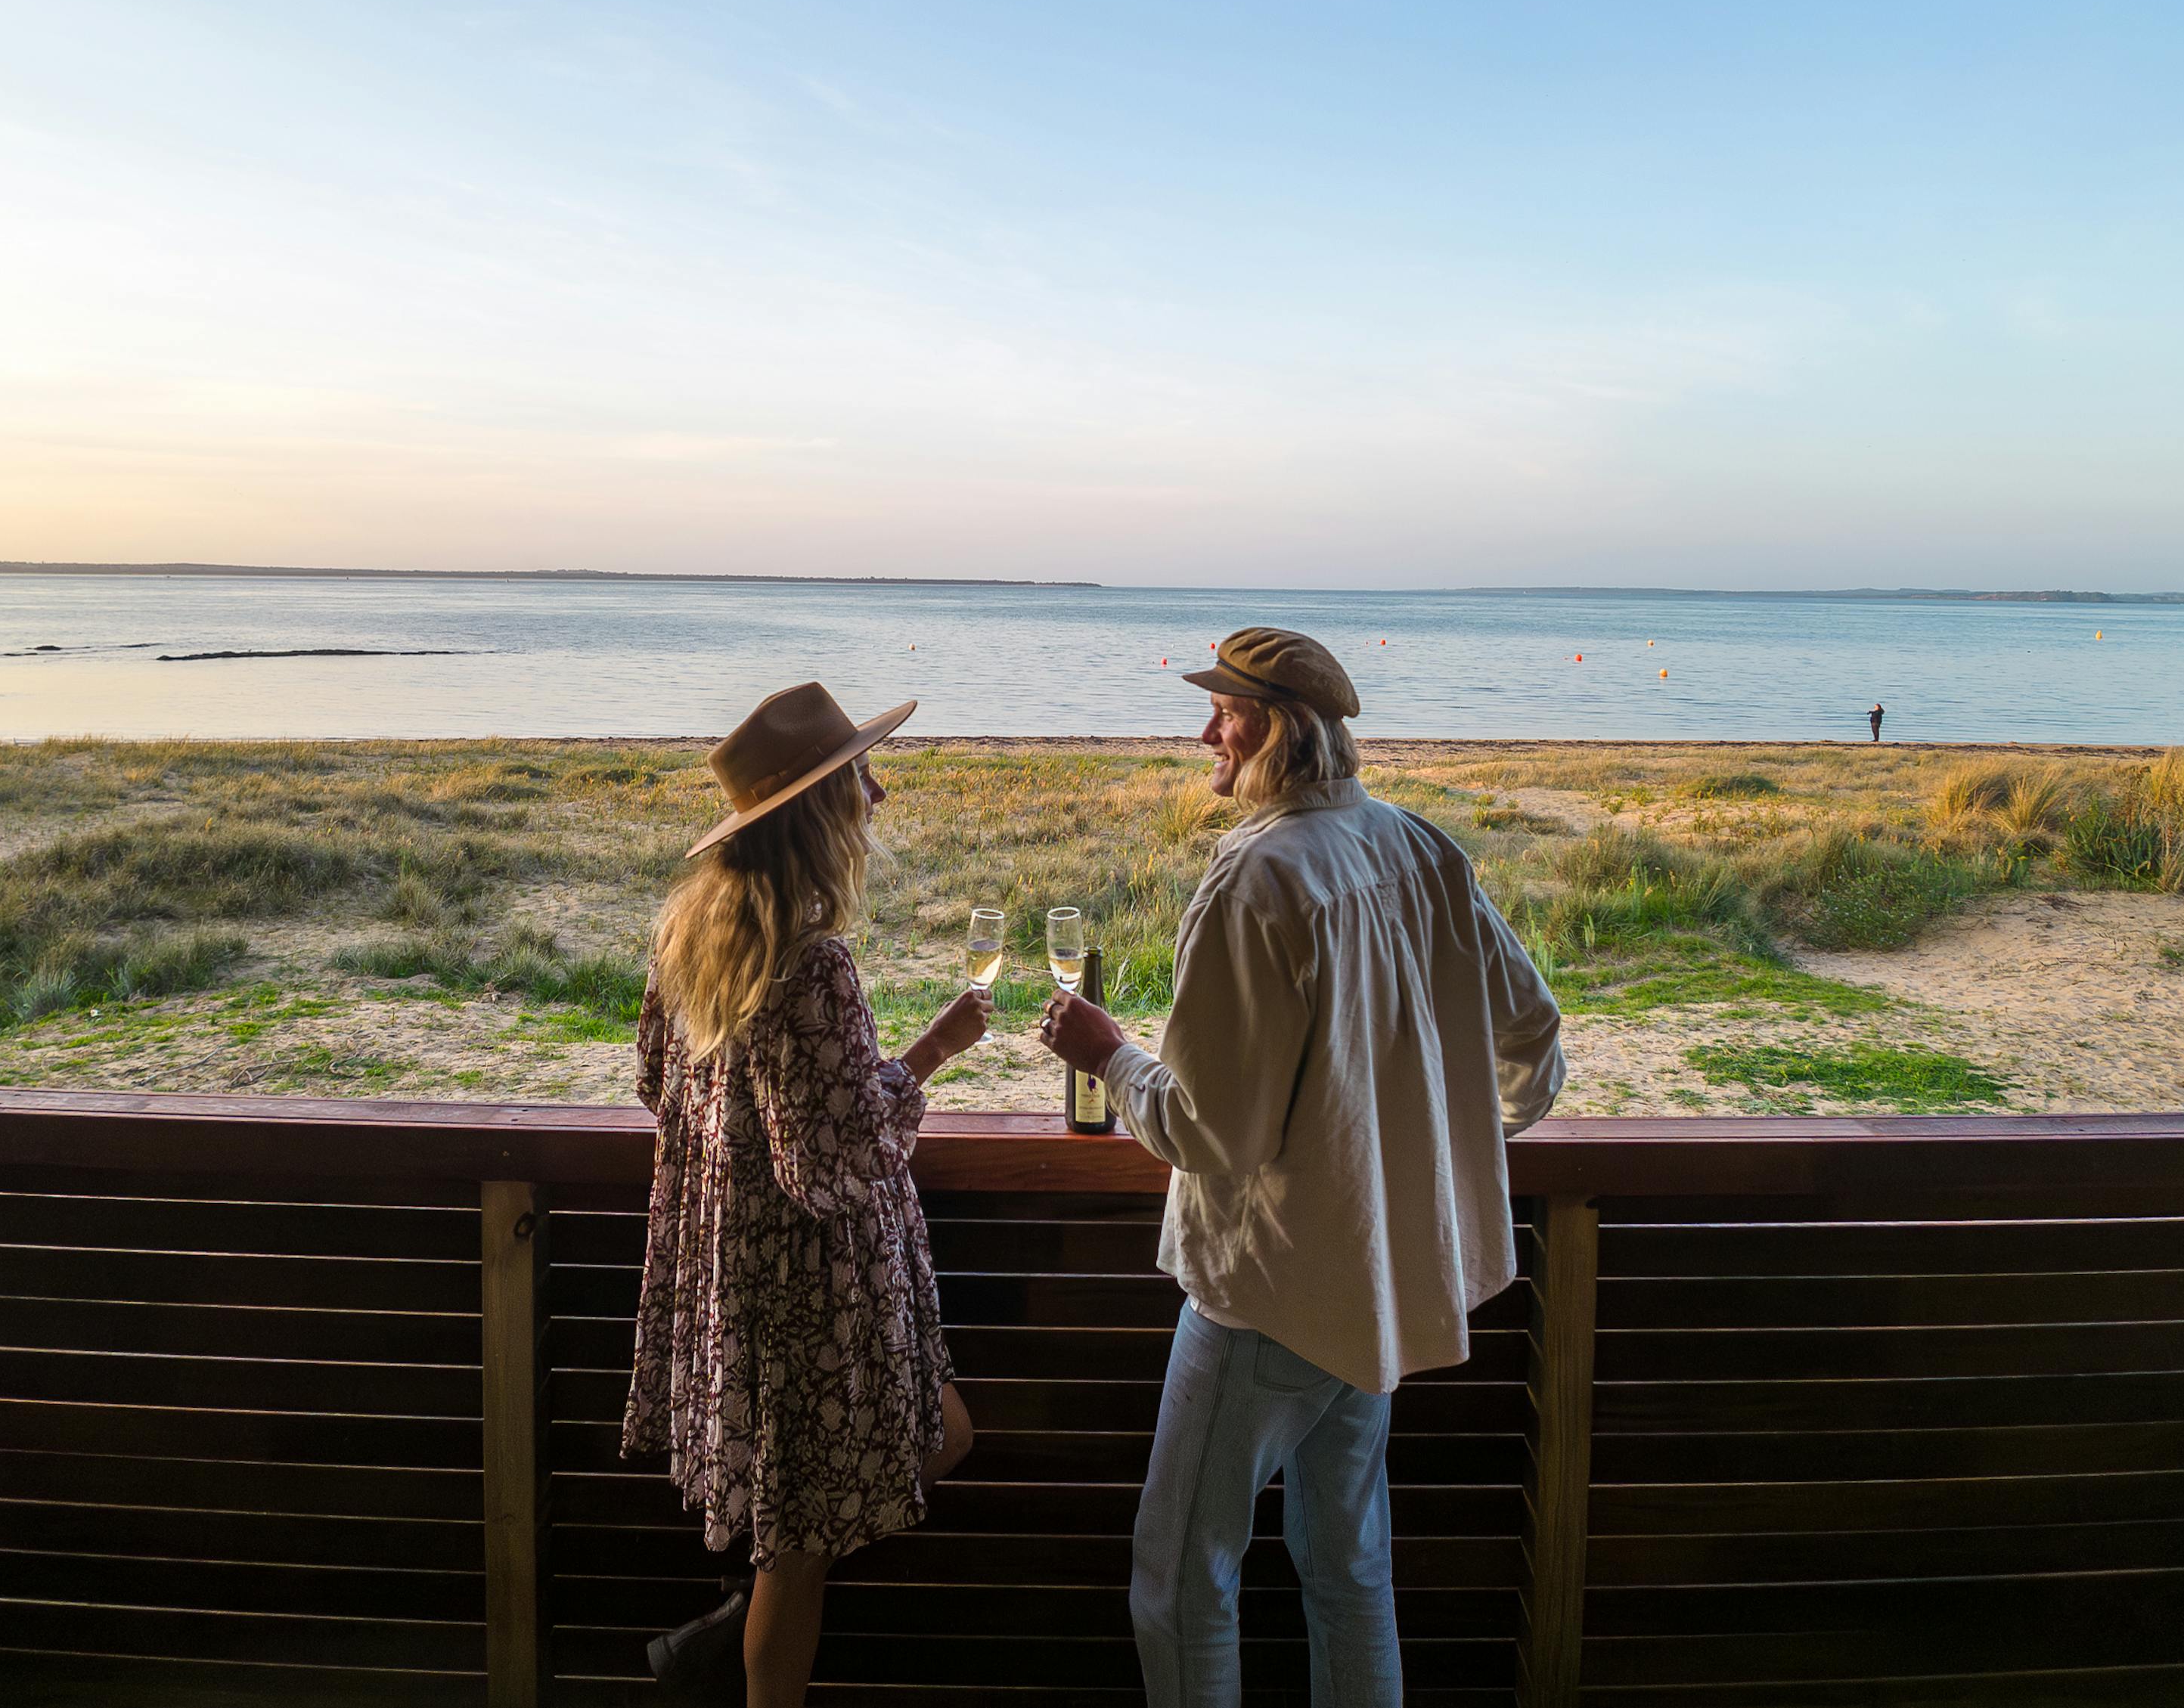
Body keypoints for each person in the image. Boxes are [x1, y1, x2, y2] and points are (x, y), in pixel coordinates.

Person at [1041, 627, 1565, 1708]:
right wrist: (1421, 1148)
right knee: (1348, 1568)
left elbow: (1207, 1131)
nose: (1205, 732)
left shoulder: (1257, 877)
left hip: (1266, 1296)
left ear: (1273, 728)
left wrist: (1108, 1053)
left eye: (1223, 712)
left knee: (1179, 1575)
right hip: (1370, 1284)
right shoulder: (1417, 847)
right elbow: (1533, 1037)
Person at [621, 681, 988, 1707]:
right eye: (860, 774)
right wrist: (932, 1053)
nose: (881, 788)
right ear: (816, 809)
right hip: (813, 1298)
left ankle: (725, 1635)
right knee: (812, 1538)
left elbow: (660, 1084)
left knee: (859, 1487)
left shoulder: (690, 935)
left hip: (738, 1278)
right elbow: (826, 1163)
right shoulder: (815, 961)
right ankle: (744, 1654)